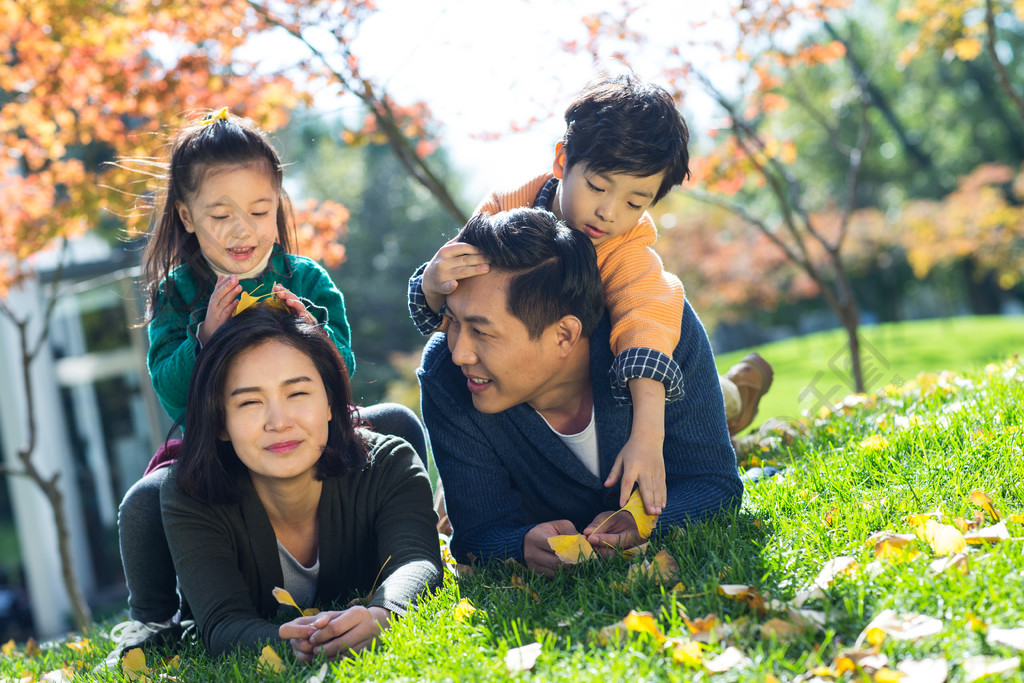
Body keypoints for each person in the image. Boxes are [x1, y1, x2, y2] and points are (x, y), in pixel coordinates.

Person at [105, 107, 428, 664]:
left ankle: (421, 531)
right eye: (220, 214)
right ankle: (152, 621)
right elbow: (173, 395)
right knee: (145, 499)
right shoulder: (178, 296)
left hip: (313, 425)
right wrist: (204, 338)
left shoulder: (305, 278)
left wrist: (313, 336)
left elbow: (339, 378)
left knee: (396, 421)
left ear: (278, 206)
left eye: (259, 210)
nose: (242, 230)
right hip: (226, 442)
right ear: (185, 216)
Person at [409, 73, 772, 519]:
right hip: (546, 398)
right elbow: (464, 310)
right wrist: (432, 284)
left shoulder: (628, 254)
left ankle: (733, 398)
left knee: (701, 401)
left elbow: (647, 332)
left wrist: (647, 437)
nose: (609, 211)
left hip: (648, 388)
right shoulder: (507, 210)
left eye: (635, 202)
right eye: (598, 187)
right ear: (562, 161)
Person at [417, 208, 743, 575]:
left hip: (679, 403)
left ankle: (736, 393)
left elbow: (715, 484)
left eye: (482, 332)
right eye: (454, 322)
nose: (459, 352)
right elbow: (479, 534)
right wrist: (519, 544)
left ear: (565, 335)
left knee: (726, 407)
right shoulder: (447, 374)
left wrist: (645, 520)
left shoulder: (662, 329)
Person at [159, 306, 441, 659]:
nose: (278, 422)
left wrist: (385, 615)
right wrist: (291, 645)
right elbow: (222, 622)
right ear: (220, 423)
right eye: (249, 402)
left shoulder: (387, 463)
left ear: (330, 403)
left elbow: (417, 562)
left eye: (297, 394)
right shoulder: (191, 495)